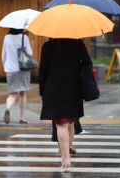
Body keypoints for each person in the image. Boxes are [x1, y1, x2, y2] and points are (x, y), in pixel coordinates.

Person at [39, 38, 92, 171]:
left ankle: (66, 159)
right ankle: (66, 152)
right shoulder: (78, 44)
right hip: (73, 88)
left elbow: (43, 71)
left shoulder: (48, 46)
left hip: (54, 88)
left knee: (60, 123)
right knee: (71, 122)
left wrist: (42, 92)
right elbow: (87, 63)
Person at [2, 28, 32, 124]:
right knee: (23, 94)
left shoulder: (6, 38)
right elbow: (30, 53)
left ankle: (8, 107)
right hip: (23, 69)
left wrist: (5, 66)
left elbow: (3, 56)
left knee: (12, 94)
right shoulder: (24, 37)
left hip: (10, 70)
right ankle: (22, 118)